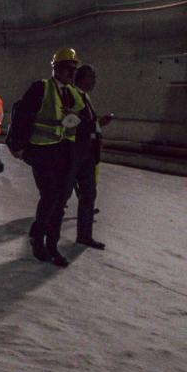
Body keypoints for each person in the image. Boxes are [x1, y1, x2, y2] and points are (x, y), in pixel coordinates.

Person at [6, 48, 87, 266]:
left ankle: (53, 244)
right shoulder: (41, 88)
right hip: (41, 152)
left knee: (60, 201)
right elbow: (22, 116)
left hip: (63, 154)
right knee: (50, 196)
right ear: (57, 69)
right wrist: (18, 146)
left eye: (74, 69)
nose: (72, 74)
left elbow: (83, 119)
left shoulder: (74, 94)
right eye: (69, 69)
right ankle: (38, 241)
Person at [71, 64, 113, 249]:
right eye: (91, 77)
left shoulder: (85, 97)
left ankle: (84, 236)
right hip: (73, 153)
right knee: (59, 196)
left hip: (87, 153)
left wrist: (98, 124)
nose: (94, 81)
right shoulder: (72, 95)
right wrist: (96, 123)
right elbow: (73, 123)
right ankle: (42, 231)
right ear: (81, 78)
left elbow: (89, 124)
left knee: (89, 194)